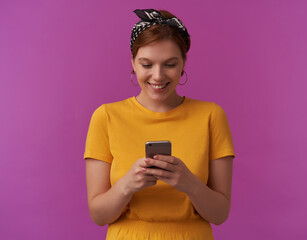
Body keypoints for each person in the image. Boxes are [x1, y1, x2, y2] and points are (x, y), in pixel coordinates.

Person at [84, 9, 235, 240]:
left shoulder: (211, 115)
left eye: (170, 64)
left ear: (184, 62)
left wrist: (189, 183)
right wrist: (127, 185)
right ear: (133, 63)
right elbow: (98, 215)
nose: (157, 76)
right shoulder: (105, 116)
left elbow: (220, 214)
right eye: (146, 65)